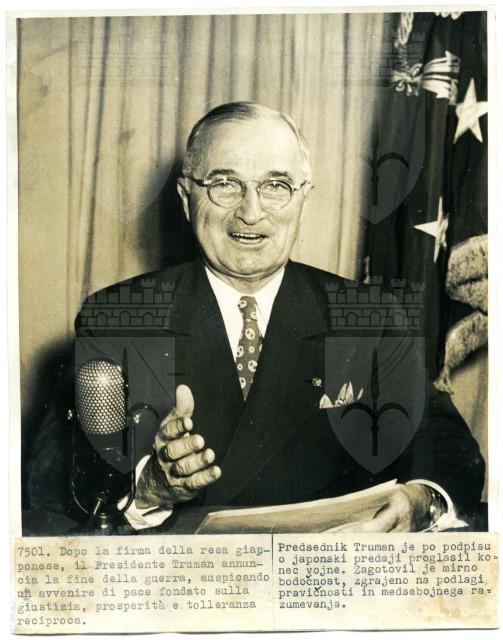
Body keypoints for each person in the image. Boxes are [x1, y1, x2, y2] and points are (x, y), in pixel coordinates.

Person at [28, 102, 485, 533]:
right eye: (225, 184)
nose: (250, 212)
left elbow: (443, 445)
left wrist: (422, 499)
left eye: (276, 186)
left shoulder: (370, 317)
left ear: (303, 199)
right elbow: (55, 480)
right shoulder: (119, 317)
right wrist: (150, 488)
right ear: (187, 198)